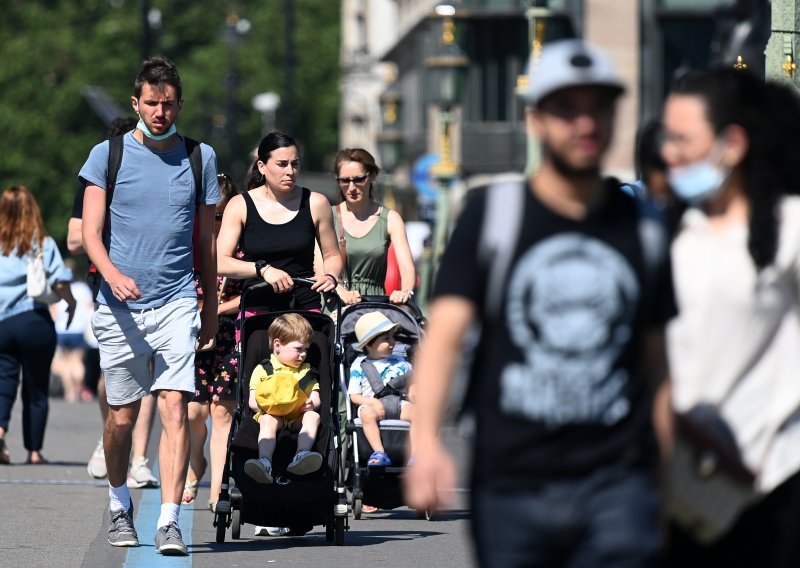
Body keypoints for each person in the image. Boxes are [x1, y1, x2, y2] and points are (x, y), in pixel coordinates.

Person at [404, 39, 676, 567]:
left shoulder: (644, 230)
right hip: (513, 483)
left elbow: (659, 363)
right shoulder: (494, 216)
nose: (585, 122)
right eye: (566, 108)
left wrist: (669, 471)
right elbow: (444, 339)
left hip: (618, 484)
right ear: (535, 121)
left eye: (599, 106)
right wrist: (426, 443)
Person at [79, 56, 220, 555]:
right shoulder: (107, 154)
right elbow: (91, 233)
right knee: (121, 417)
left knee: (175, 405)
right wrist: (113, 276)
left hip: (178, 298)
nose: (160, 111)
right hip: (119, 307)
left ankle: (169, 520)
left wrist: (208, 308)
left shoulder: (201, 158)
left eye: (168, 103)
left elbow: (206, 243)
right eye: (151, 103)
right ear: (136, 103)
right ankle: (119, 503)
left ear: (179, 103)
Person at [661, 68, 800, 567]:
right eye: (665, 139)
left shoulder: (789, 230)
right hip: (682, 491)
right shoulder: (676, 236)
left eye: (682, 139)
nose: (669, 154)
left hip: (776, 487)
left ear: (732, 144)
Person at [68, 116, 159, 489]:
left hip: (155, 285)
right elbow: (75, 239)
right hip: (108, 285)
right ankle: (111, 438)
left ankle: (139, 459)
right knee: (113, 377)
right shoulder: (99, 176)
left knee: (150, 374)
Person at [216, 131, 341, 311]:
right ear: (262, 166)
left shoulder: (316, 203)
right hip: (257, 308)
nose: (290, 171)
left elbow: (332, 256)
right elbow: (219, 262)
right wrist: (263, 270)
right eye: (282, 164)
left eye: (295, 164)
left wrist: (330, 276)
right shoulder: (240, 205)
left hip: (304, 307)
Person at [0, 185, 76, 465]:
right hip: (34, 320)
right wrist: (71, 302)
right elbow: (58, 281)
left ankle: (0, 429)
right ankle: (33, 451)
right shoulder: (41, 242)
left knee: (3, 381)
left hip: (2, 324)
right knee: (36, 387)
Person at [184, 173, 243, 511]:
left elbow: (248, 294)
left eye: (220, 214)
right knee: (193, 412)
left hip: (227, 335)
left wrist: (216, 308)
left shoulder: (240, 247)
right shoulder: (191, 243)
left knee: (222, 412)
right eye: (209, 213)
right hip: (194, 336)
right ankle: (196, 465)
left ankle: (217, 491)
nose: (215, 220)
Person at [244, 313, 323, 483]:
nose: (303, 355)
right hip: (273, 414)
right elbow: (252, 401)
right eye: (298, 349)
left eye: (306, 350)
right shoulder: (264, 369)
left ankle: (302, 455)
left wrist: (311, 404)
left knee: (313, 416)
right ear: (278, 345)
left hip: (296, 416)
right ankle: (264, 462)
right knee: (267, 421)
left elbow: (315, 397)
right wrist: (268, 407)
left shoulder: (306, 372)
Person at [332, 148, 416, 304]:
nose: (351, 187)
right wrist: (341, 291)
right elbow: (319, 267)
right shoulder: (327, 216)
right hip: (335, 303)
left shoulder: (390, 218)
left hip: (373, 303)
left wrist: (405, 292)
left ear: (372, 176)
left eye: (358, 179)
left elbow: (407, 268)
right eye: (344, 180)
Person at [348, 311, 414, 467]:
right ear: (369, 343)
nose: (393, 342)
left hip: (399, 404)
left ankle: (416, 454)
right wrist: (371, 402)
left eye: (393, 337)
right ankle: (379, 452)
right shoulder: (359, 366)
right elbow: (354, 396)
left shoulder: (401, 362)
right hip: (373, 407)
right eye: (386, 338)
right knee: (365, 413)